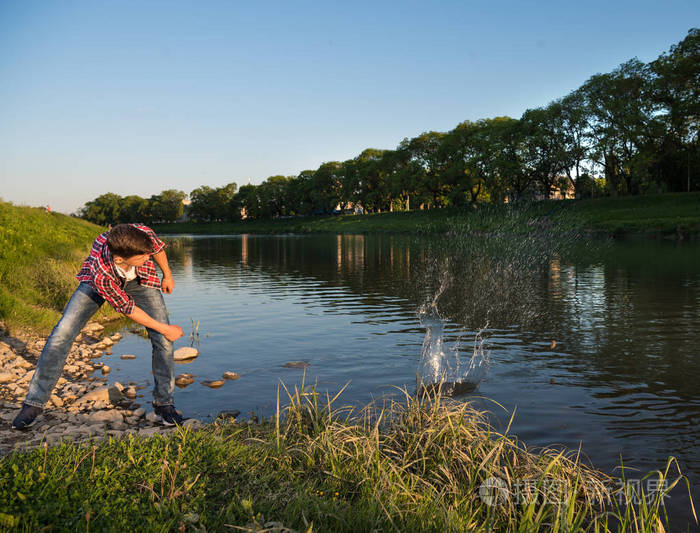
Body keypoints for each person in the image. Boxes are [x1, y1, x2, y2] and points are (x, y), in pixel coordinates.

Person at [12, 224, 185, 429]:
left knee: (163, 340)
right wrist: (166, 328)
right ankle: (34, 403)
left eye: (148, 254)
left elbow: (157, 249)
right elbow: (127, 308)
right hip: (95, 285)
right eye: (142, 257)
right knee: (61, 335)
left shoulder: (142, 233)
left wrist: (167, 274)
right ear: (119, 258)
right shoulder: (101, 272)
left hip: (141, 281)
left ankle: (164, 405)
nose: (148, 258)